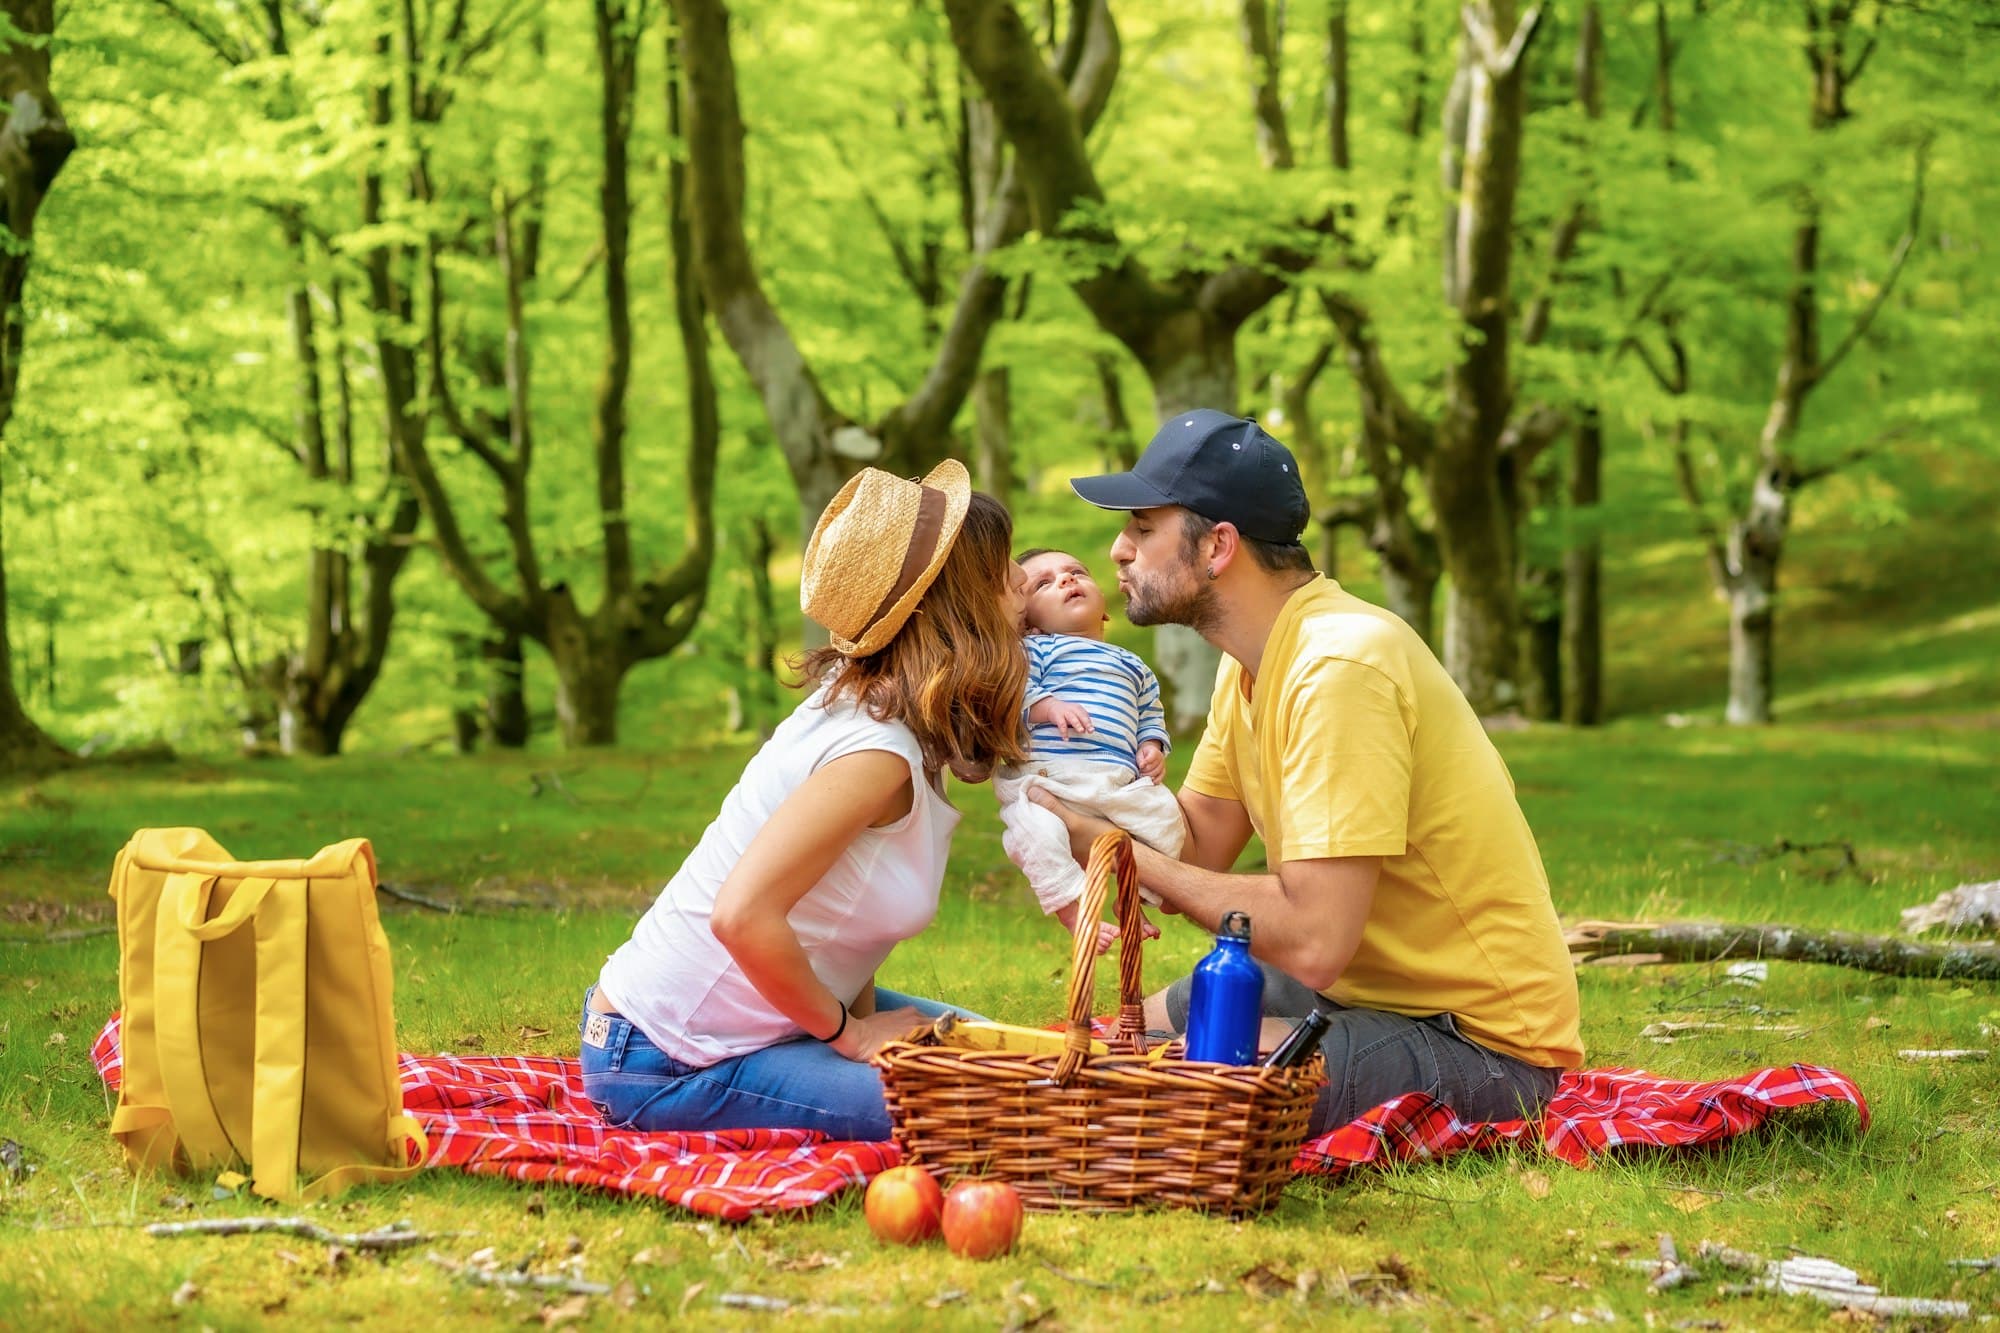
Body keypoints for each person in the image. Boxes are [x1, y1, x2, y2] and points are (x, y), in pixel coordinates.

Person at [1032, 409, 1584, 1136]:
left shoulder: (1338, 667)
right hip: (1366, 985)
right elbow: (1196, 846)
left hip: (1482, 1044)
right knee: (1130, 1038)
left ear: (1218, 545)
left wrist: (1115, 850)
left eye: (1141, 528)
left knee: (1160, 1086)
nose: (1118, 550)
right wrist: (1071, 790)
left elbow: (1315, 936)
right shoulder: (1251, 662)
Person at [580, 461, 1029, 1142]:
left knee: (1008, 1057)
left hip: (755, 1023)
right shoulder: (873, 753)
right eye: (1002, 571)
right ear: (958, 605)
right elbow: (741, 912)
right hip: (663, 1059)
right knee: (986, 1111)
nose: (1023, 581)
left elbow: (846, 917)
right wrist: (851, 1037)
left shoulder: (884, 714)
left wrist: (870, 1027)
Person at [995, 548, 1184, 949]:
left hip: (1113, 784)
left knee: (1168, 820)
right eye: (1044, 583)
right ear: (1027, 622)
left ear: (1105, 611)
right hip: (1045, 780)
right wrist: (1048, 707)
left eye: (1075, 571)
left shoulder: (1134, 665)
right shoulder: (1035, 651)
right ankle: (1074, 911)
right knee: (1038, 834)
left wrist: (1151, 744)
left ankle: (1132, 899)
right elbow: (1012, 692)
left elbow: (1150, 712)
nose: (1065, 579)